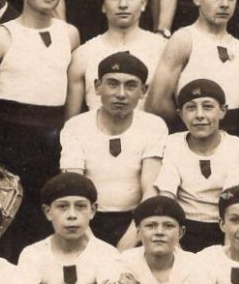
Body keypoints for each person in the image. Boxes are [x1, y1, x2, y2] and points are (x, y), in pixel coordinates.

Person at [0, 0, 79, 256]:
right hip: (9, 136)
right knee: (7, 216)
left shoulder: (70, 34)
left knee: (44, 217)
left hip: (51, 138)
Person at [58, 52, 168, 250]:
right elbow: (73, 188)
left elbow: (151, 190)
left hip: (135, 221)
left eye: (131, 85)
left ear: (143, 91)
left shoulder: (153, 126)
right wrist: (92, 243)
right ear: (98, 87)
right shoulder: (76, 126)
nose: (121, 94)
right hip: (86, 222)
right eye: (113, 84)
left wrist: (130, 240)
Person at [152, 79, 239, 245]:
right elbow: (167, 198)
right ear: (181, 114)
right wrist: (175, 249)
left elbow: (232, 202)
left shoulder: (238, 147)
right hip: (181, 227)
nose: (199, 115)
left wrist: (227, 253)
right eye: (191, 108)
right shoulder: (171, 144)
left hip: (223, 228)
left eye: (208, 107)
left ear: (222, 111)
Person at [149, 0, 239, 129]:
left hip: (233, 138)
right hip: (194, 133)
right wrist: (193, 129)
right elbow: (157, 102)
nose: (225, 4)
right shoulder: (185, 39)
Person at [64, 0, 168, 116]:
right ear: (103, 6)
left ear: (143, 3)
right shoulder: (83, 54)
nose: (123, 4)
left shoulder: (164, 49)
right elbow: (71, 123)